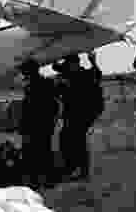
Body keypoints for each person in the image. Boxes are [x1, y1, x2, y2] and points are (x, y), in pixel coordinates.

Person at [54, 52, 104, 182]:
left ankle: (82, 172)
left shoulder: (84, 74)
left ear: (75, 64)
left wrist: (93, 61)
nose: (65, 67)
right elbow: (57, 68)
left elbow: (97, 74)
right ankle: (71, 168)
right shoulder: (70, 72)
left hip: (83, 114)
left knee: (77, 141)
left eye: (68, 64)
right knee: (67, 139)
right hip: (72, 113)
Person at [18, 59, 61, 189]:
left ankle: (37, 180)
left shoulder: (32, 86)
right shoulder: (47, 83)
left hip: (36, 124)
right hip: (45, 123)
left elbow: (28, 108)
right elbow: (55, 104)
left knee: (34, 152)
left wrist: (23, 124)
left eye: (25, 72)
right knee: (44, 151)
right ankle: (48, 179)